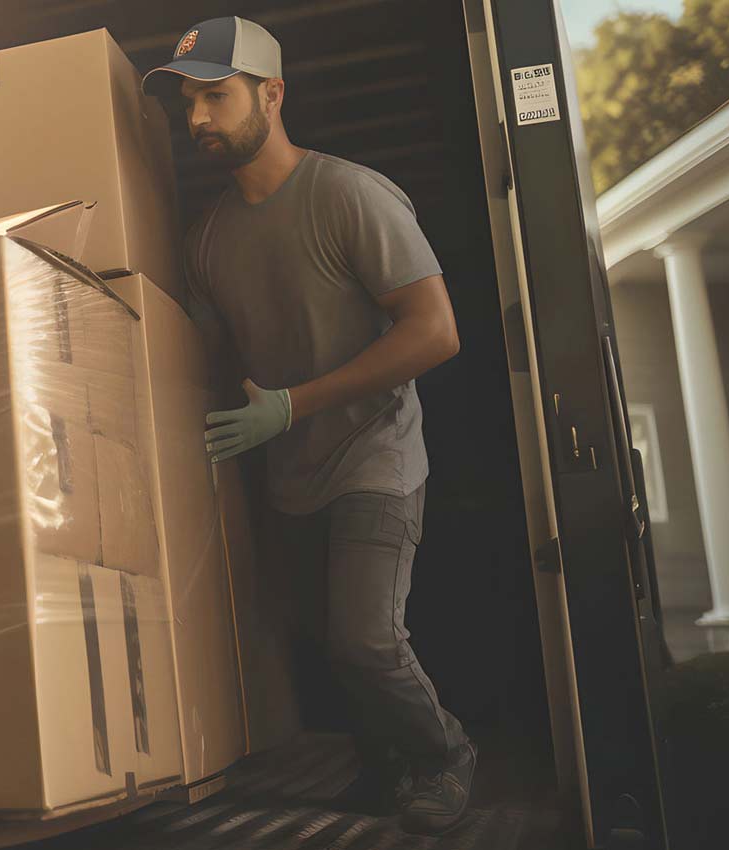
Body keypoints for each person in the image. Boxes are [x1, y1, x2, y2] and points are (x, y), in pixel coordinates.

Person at [144, 17, 476, 835]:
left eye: (216, 97)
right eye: (188, 104)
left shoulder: (349, 194)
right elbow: (205, 361)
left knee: (365, 638)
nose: (198, 119)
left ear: (272, 94)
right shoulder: (207, 240)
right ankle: (386, 766)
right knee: (319, 639)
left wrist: (293, 403)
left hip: (375, 454)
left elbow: (436, 332)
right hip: (288, 470)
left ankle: (444, 755)